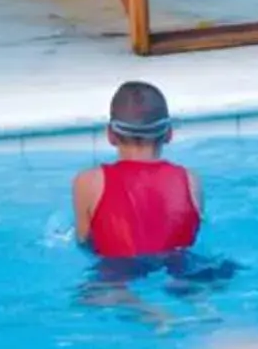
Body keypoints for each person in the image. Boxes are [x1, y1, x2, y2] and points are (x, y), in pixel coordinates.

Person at [74, 81, 204, 257]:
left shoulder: (88, 182)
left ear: (111, 135)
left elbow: (84, 242)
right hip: (181, 271)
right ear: (169, 134)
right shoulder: (190, 180)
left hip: (116, 277)